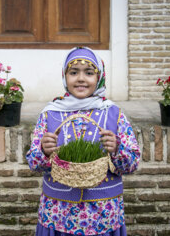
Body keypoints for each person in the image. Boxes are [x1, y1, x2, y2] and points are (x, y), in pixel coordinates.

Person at [26, 47, 141, 236]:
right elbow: (33, 163)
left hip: (102, 214)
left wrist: (117, 149)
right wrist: (44, 151)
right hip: (58, 213)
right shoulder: (51, 114)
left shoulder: (113, 113)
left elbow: (132, 163)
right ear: (64, 76)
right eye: (73, 72)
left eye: (89, 73)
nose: (80, 78)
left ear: (99, 77)